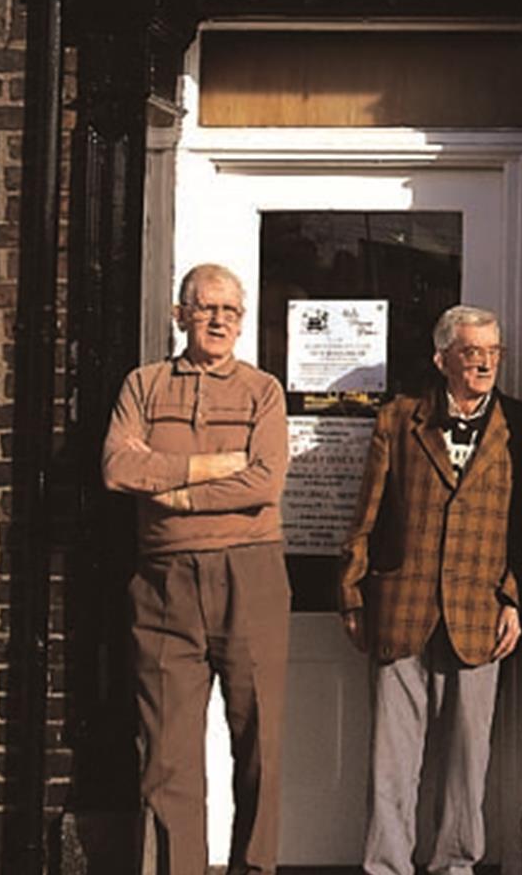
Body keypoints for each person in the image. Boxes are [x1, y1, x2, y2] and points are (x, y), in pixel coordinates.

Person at [100, 263, 291, 875]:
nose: (218, 321)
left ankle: (253, 869)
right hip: (162, 582)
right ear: (181, 316)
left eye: (230, 311)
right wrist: (209, 471)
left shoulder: (263, 391)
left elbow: (263, 481)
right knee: (166, 753)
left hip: (250, 574)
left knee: (259, 740)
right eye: (206, 308)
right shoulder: (144, 385)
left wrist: (171, 486)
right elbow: (116, 470)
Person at [340, 304, 522, 875]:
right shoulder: (399, 419)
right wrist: (352, 594)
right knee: (392, 763)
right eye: (472, 353)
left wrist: (514, 600)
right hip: (402, 608)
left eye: (493, 353)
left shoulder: (519, 425)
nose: (484, 364)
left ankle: (456, 865)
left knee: (469, 763)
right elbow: (367, 514)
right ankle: (386, 867)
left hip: (479, 612)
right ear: (441, 357)